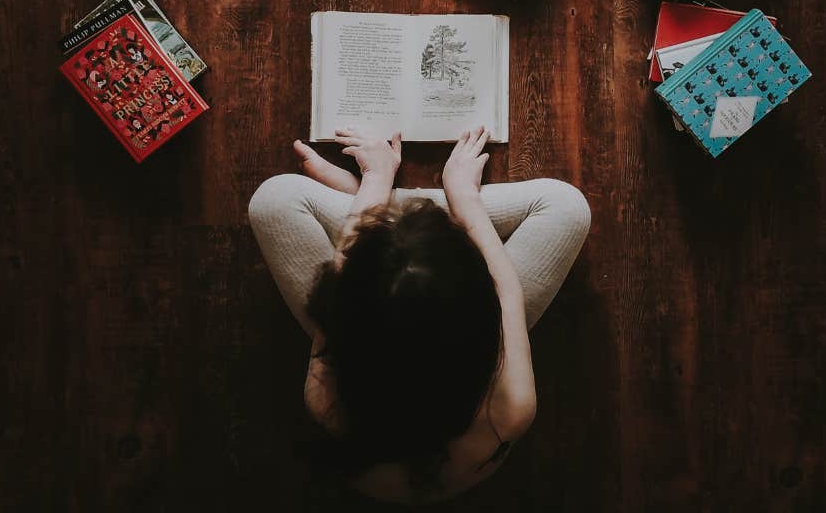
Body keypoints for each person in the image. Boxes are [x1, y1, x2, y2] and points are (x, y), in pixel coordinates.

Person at [248, 126, 590, 504]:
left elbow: (344, 279)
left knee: (273, 200)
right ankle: (407, 216)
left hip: (379, 313)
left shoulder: (325, 398)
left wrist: (375, 183)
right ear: (479, 308)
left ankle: (389, 213)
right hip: (460, 332)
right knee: (566, 206)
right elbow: (507, 289)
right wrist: (463, 196)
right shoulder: (512, 406)